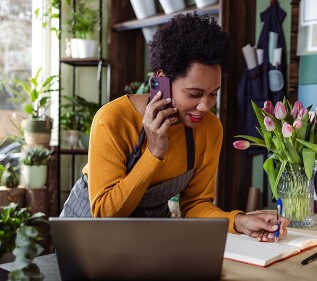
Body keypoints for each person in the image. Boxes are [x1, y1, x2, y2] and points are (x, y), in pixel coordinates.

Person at [84, 12, 289, 242]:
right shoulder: (112, 119)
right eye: (194, 94)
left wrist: (238, 221)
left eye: (213, 94)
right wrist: (153, 153)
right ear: (161, 80)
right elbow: (104, 214)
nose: (204, 106)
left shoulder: (209, 129)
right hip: (88, 234)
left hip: (148, 235)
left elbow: (195, 205)